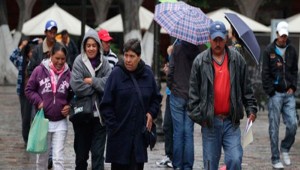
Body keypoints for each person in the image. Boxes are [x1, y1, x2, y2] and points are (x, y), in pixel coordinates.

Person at [187, 21, 257, 170]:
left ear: (226, 38)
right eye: (215, 39)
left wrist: (251, 110)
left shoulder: (237, 60)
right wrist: (202, 118)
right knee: (210, 164)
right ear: (209, 39)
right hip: (210, 122)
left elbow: (247, 89)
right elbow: (193, 97)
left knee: (235, 159)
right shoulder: (200, 62)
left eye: (220, 39)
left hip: (231, 122)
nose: (218, 43)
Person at [100, 39, 162, 170]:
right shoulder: (116, 74)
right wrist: (114, 127)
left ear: (139, 57)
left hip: (139, 139)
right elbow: (106, 104)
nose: (128, 60)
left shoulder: (148, 74)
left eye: (132, 56)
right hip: (119, 139)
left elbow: (156, 99)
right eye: (126, 55)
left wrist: (151, 113)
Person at [25, 43, 72, 170]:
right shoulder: (39, 70)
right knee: (42, 159)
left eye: (63, 59)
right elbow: (29, 90)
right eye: (57, 58)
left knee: (58, 159)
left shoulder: (69, 74)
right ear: (50, 55)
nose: (60, 62)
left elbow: (74, 95)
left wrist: (70, 106)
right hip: (43, 121)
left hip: (61, 122)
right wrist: (39, 101)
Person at [70, 28, 111, 170]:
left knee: (98, 156)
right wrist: (98, 87)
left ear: (99, 46)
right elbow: (77, 86)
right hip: (82, 116)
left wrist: (92, 81)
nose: (91, 48)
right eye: (88, 45)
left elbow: (109, 84)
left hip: (100, 118)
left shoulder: (104, 62)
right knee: (81, 157)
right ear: (84, 46)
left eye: (94, 45)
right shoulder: (78, 62)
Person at [262, 21, 298, 169]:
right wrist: (270, 91)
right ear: (277, 34)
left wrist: (294, 87)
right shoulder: (268, 50)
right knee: (274, 127)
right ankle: (275, 158)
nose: (283, 38)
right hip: (275, 94)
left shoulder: (292, 50)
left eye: (285, 36)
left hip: (289, 94)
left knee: (293, 125)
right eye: (281, 36)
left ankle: (285, 148)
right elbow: (265, 73)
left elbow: (295, 71)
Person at [167, 39, 200, 170]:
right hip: (191, 96)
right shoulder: (198, 51)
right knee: (188, 133)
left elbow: (171, 72)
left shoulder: (176, 50)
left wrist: (172, 86)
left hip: (177, 94)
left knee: (178, 133)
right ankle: (187, 166)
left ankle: (178, 166)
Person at [9, 38, 39, 145]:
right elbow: (12, 57)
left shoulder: (38, 62)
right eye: (30, 52)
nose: (32, 53)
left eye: (34, 51)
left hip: (36, 93)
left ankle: (34, 138)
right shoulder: (22, 61)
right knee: (25, 117)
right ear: (27, 53)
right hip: (24, 93)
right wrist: (21, 46)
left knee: (35, 116)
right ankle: (26, 139)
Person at [156, 45, 173, 168]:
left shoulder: (177, 49)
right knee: (167, 126)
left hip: (176, 95)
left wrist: (169, 71)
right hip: (170, 93)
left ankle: (173, 156)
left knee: (171, 126)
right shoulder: (174, 47)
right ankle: (169, 155)